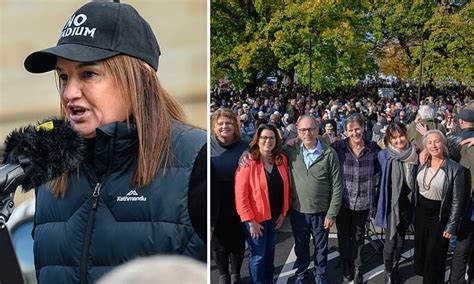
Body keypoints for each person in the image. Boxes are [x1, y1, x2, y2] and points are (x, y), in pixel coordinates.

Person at [23, 2, 206, 283]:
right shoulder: (50, 172)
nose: (69, 92)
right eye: (63, 76)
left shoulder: (196, 158)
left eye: (88, 74)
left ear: (140, 79)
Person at [287, 115, 342, 284]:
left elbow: (337, 186)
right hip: (298, 212)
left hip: (321, 212)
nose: (307, 133)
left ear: (318, 130)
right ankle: (302, 273)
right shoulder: (291, 151)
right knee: (301, 247)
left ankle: (320, 274)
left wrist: (331, 214)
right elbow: (266, 149)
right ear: (298, 131)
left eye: (311, 129)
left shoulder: (329, 153)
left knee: (321, 247)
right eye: (303, 130)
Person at [235, 124, 291, 284]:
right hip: (256, 220)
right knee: (258, 255)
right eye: (264, 137)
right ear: (257, 140)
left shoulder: (281, 160)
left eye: (272, 137)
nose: (268, 141)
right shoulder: (248, 162)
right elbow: (241, 195)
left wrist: (283, 213)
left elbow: (285, 188)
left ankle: (269, 280)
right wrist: (250, 221)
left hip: (275, 217)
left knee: (270, 252)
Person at [331, 115, 380, 284]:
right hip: (343, 201)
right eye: (350, 130)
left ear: (363, 128)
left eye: (357, 129)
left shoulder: (373, 148)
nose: (354, 133)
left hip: (364, 201)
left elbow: (382, 166)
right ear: (345, 131)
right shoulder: (338, 147)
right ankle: (347, 267)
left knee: (359, 236)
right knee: (344, 236)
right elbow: (319, 150)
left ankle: (358, 268)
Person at [414, 130, 465, 284]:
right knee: (422, 254)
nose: (433, 145)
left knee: (434, 257)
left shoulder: (455, 169)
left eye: (437, 141)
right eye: (429, 143)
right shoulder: (423, 161)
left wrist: (451, 227)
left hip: (439, 217)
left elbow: (457, 201)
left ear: (443, 143)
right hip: (421, 214)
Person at [375, 123, 418, 284]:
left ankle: (395, 265)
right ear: (389, 139)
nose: (399, 140)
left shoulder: (415, 153)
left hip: (406, 203)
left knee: (401, 240)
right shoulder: (384, 155)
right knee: (390, 241)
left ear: (406, 134)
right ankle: (388, 272)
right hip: (389, 203)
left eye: (401, 136)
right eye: (394, 138)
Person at [211, 109, 247, 284]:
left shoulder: (245, 146)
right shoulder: (206, 144)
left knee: (238, 239)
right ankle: (223, 274)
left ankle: (235, 274)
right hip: (214, 200)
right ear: (214, 126)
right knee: (218, 242)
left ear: (235, 126)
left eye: (228, 123)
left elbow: (268, 147)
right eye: (220, 123)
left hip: (238, 199)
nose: (224, 126)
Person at [449, 104, 474, 284]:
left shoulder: (452, 139)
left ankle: (456, 280)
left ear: (461, 122)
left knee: (462, 246)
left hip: (461, 198)